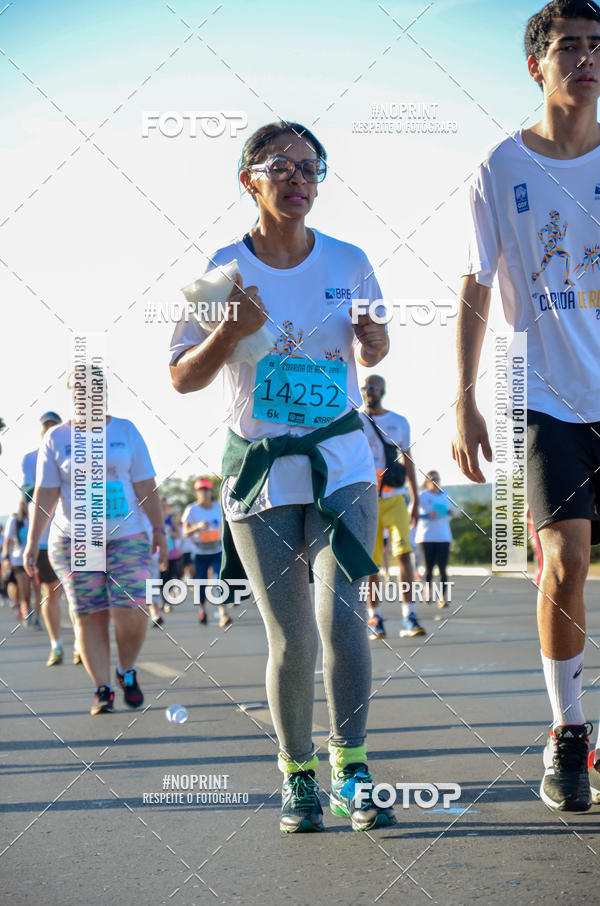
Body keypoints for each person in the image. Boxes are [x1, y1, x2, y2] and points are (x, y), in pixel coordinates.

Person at [170, 120, 396, 833]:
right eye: (281, 168)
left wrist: (375, 339)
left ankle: (352, 767)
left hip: (342, 462)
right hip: (261, 471)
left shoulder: (351, 259)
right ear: (250, 181)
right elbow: (181, 376)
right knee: (291, 636)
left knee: (342, 615)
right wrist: (228, 332)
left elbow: (378, 342)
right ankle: (298, 777)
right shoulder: (223, 271)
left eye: (311, 167)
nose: (299, 179)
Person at [452, 0, 600, 812]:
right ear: (536, 66)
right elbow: (476, 285)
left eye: (596, 46)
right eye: (569, 47)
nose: (586, 58)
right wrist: (463, 397)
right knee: (566, 563)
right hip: (547, 394)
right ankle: (568, 733)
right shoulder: (499, 166)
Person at [23, 369, 168, 715]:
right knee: (90, 615)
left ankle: (126, 670)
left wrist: (159, 529)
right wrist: (32, 542)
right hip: (75, 539)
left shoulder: (125, 431)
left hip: (127, 534)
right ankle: (102, 689)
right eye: (78, 391)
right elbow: (44, 495)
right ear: (71, 394)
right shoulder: (56, 439)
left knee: (130, 609)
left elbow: (146, 485)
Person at [360, 375, 423, 641]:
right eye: (364, 387)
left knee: (404, 554)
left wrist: (415, 499)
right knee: (371, 563)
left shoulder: (399, 422)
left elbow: (408, 460)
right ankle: (375, 616)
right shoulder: (354, 421)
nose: (367, 392)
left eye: (372, 387)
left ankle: (409, 614)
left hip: (395, 497)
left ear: (383, 391)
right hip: (366, 499)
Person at [21, 411, 70, 665]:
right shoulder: (30, 459)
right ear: (41, 430)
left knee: (76, 593)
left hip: (72, 533)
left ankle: (82, 644)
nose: (49, 427)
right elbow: (30, 491)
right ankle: (56, 645)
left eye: (53, 424)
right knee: (50, 592)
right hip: (43, 537)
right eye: (45, 425)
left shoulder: (73, 450)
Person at [182, 479, 231, 627]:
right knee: (201, 582)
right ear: (197, 493)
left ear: (210, 492)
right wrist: (197, 527)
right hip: (200, 553)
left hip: (217, 550)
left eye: (206, 490)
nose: (204, 493)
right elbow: (185, 533)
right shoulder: (191, 510)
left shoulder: (218, 508)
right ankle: (202, 610)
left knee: (218, 581)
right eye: (200, 490)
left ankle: (222, 613)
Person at [414, 471, 454, 608]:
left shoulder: (444, 495)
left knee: (443, 568)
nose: (435, 481)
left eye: (437, 479)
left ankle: (443, 597)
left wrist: (450, 512)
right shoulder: (421, 496)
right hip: (426, 536)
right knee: (429, 568)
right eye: (432, 479)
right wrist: (426, 515)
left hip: (443, 536)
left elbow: (448, 509)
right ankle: (428, 591)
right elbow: (412, 514)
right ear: (427, 482)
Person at [2, 498, 34, 627]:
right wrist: (6, 558)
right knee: (23, 587)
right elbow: (7, 541)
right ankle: (25, 610)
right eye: (26, 504)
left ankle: (28, 609)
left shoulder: (33, 520)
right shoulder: (14, 520)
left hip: (32, 560)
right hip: (17, 560)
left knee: (30, 590)